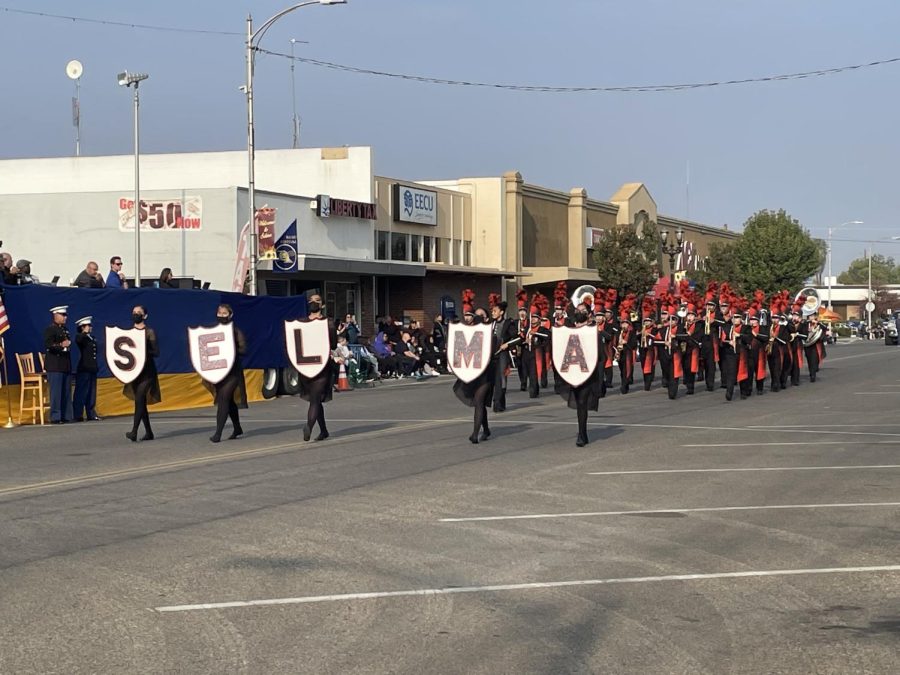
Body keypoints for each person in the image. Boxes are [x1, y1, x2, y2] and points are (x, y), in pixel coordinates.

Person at [452, 292, 495, 444]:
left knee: (479, 401)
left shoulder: (491, 335)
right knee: (480, 403)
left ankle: (475, 434)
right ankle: (486, 429)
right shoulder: (467, 334)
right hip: (473, 373)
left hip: (486, 374)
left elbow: (492, 354)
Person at [555, 309, 602, 447]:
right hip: (573, 373)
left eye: (582, 323)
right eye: (577, 323)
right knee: (579, 403)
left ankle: (582, 433)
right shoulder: (570, 333)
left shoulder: (593, 334)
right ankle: (582, 432)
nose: (579, 326)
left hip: (588, 373)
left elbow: (600, 355)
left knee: (582, 402)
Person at [298, 297, 337, 441]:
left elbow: (333, 345)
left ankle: (309, 426)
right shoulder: (301, 323)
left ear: (323, 304)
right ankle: (324, 431)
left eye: (317, 300)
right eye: (311, 300)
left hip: (322, 365)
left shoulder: (328, 323)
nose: (313, 302)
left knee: (315, 398)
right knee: (315, 399)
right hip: (305, 366)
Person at [208, 304, 248, 443]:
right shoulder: (212, 332)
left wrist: (230, 348)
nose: (221, 315)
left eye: (224, 313)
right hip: (218, 371)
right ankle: (237, 427)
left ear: (230, 315)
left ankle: (218, 433)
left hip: (233, 372)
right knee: (229, 401)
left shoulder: (236, 331)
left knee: (223, 399)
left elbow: (244, 350)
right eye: (219, 312)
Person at [124, 305, 160, 442]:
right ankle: (149, 432)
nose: (136, 314)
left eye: (139, 313)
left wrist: (143, 349)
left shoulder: (149, 332)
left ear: (145, 316)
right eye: (134, 312)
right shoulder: (128, 333)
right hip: (134, 371)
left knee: (139, 398)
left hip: (147, 371)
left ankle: (134, 431)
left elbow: (156, 352)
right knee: (140, 402)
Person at [488, 296, 521, 413]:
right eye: (492, 311)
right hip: (491, 354)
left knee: (501, 378)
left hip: (502, 354)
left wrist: (507, 344)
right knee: (491, 379)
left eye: (495, 311)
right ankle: (498, 403)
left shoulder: (508, 323)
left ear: (501, 312)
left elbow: (518, 339)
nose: (493, 313)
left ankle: (498, 403)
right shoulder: (490, 323)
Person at [44, 306, 73, 424]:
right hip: (55, 365)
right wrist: (62, 345)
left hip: (64, 364)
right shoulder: (50, 329)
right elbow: (49, 345)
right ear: (55, 315)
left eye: (65, 315)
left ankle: (66, 415)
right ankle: (56, 416)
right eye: (63, 315)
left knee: (66, 391)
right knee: (56, 392)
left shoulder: (65, 330)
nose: (65, 317)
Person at [73, 316, 101, 422]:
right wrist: (84, 332)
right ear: (82, 327)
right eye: (88, 326)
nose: (90, 327)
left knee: (91, 392)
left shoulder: (91, 338)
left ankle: (91, 413)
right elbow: (79, 339)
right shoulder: (82, 337)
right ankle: (78, 414)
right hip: (84, 367)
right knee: (81, 392)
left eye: (90, 325)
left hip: (92, 368)